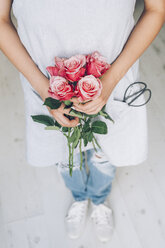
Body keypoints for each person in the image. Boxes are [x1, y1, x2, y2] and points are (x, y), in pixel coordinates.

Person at [0, 0, 165, 243]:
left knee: (105, 154)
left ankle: (98, 199)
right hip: (46, 89)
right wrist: (43, 90)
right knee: (67, 157)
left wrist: (110, 80)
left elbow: (156, 9)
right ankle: (79, 196)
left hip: (115, 84)